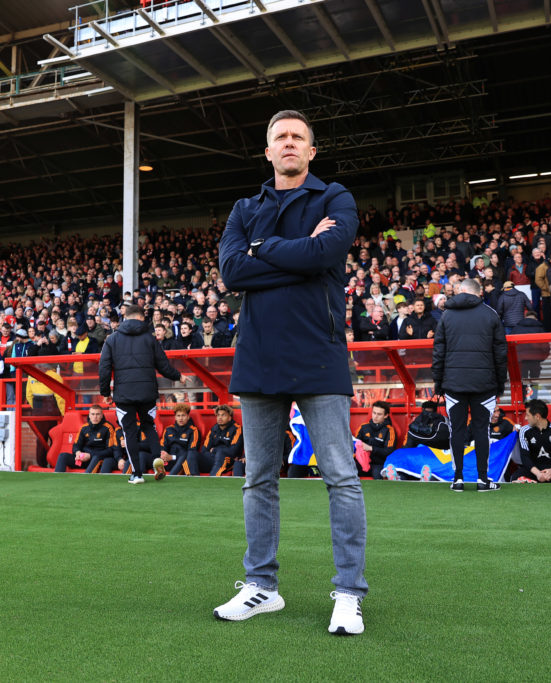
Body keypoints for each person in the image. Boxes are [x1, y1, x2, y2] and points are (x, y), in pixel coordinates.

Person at [214, 109, 367, 635]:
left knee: (340, 477)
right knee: (258, 479)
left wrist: (266, 250)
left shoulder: (335, 197)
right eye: (279, 136)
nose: (288, 144)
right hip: (257, 355)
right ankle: (262, 587)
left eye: (298, 138)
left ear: (311, 150)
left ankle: (349, 594)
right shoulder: (243, 207)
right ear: (267, 149)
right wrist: (297, 256)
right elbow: (232, 272)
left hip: (320, 353)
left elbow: (328, 251)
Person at [432, 278, 508, 492]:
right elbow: (501, 353)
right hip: (484, 385)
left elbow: (438, 352)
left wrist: (438, 382)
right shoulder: (490, 314)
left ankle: (457, 479)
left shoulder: (446, 315)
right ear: (478, 292)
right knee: (481, 430)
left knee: (456, 430)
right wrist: (500, 383)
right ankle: (483, 480)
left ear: (461, 291)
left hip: (453, 384)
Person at [98, 304, 181, 485]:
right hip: (147, 392)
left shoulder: (112, 339)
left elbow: (104, 368)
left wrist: (105, 392)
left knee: (129, 433)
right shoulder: (150, 339)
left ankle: (136, 474)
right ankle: (156, 459)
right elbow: (163, 365)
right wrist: (179, 376)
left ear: (125, 317)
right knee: (149, 427)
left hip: (123, 394)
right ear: (142, 318)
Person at [512, 400, 551, 483]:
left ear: (537, 416)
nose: (525, 418)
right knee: (515, 477)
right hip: (533, 471)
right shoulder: (524, 431)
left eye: (527, 415)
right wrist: (538, 474)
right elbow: (525, 458)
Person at [54, 404, 122, 474]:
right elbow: (76, 445)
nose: (95, 417)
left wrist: (90, 455)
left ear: (101, 415)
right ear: (89, 415)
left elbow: (110, 450)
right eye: (92, 414)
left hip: (100, 459)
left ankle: (86, 479)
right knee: (63, 456)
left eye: (97, 414)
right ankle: (56, 480)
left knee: (96, 457)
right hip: (84, 459)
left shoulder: (108, 428)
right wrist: (78, 453)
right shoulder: (84, 428)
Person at [353, 400, 396, 479]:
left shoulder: (389, 430)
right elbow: (354, 445)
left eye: (379, 414)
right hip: (362, 462)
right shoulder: (363, 427)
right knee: (348, 472)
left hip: (378, 464)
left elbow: (389, 451)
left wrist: (371, 448)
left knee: (378, 477)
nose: (375, 416)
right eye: (374, 413)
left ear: (386, 415)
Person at [200, 404, 244, 476]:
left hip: (228, 459)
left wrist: (214, 450)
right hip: (213, 458)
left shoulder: (237, 429)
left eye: (223, 415)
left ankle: (211, 479)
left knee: (221, 453)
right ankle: (192, 479)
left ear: (229, 418)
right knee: (192, 455)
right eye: (218, 415)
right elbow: (204, 449)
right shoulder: (214, 429)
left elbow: (233, 451)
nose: (220, 417)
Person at [160, 403, 201, 476]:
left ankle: (171, 477)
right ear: (175, 417)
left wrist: (172, 457)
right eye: (178, 416)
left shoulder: (193, 430)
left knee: (187, 454)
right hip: (168, 461)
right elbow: (162, 446)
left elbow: (192, 450)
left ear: (188, 417)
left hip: (185, 462)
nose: (180, 418)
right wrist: (164, 454)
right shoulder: (168, 429)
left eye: (183, 415)